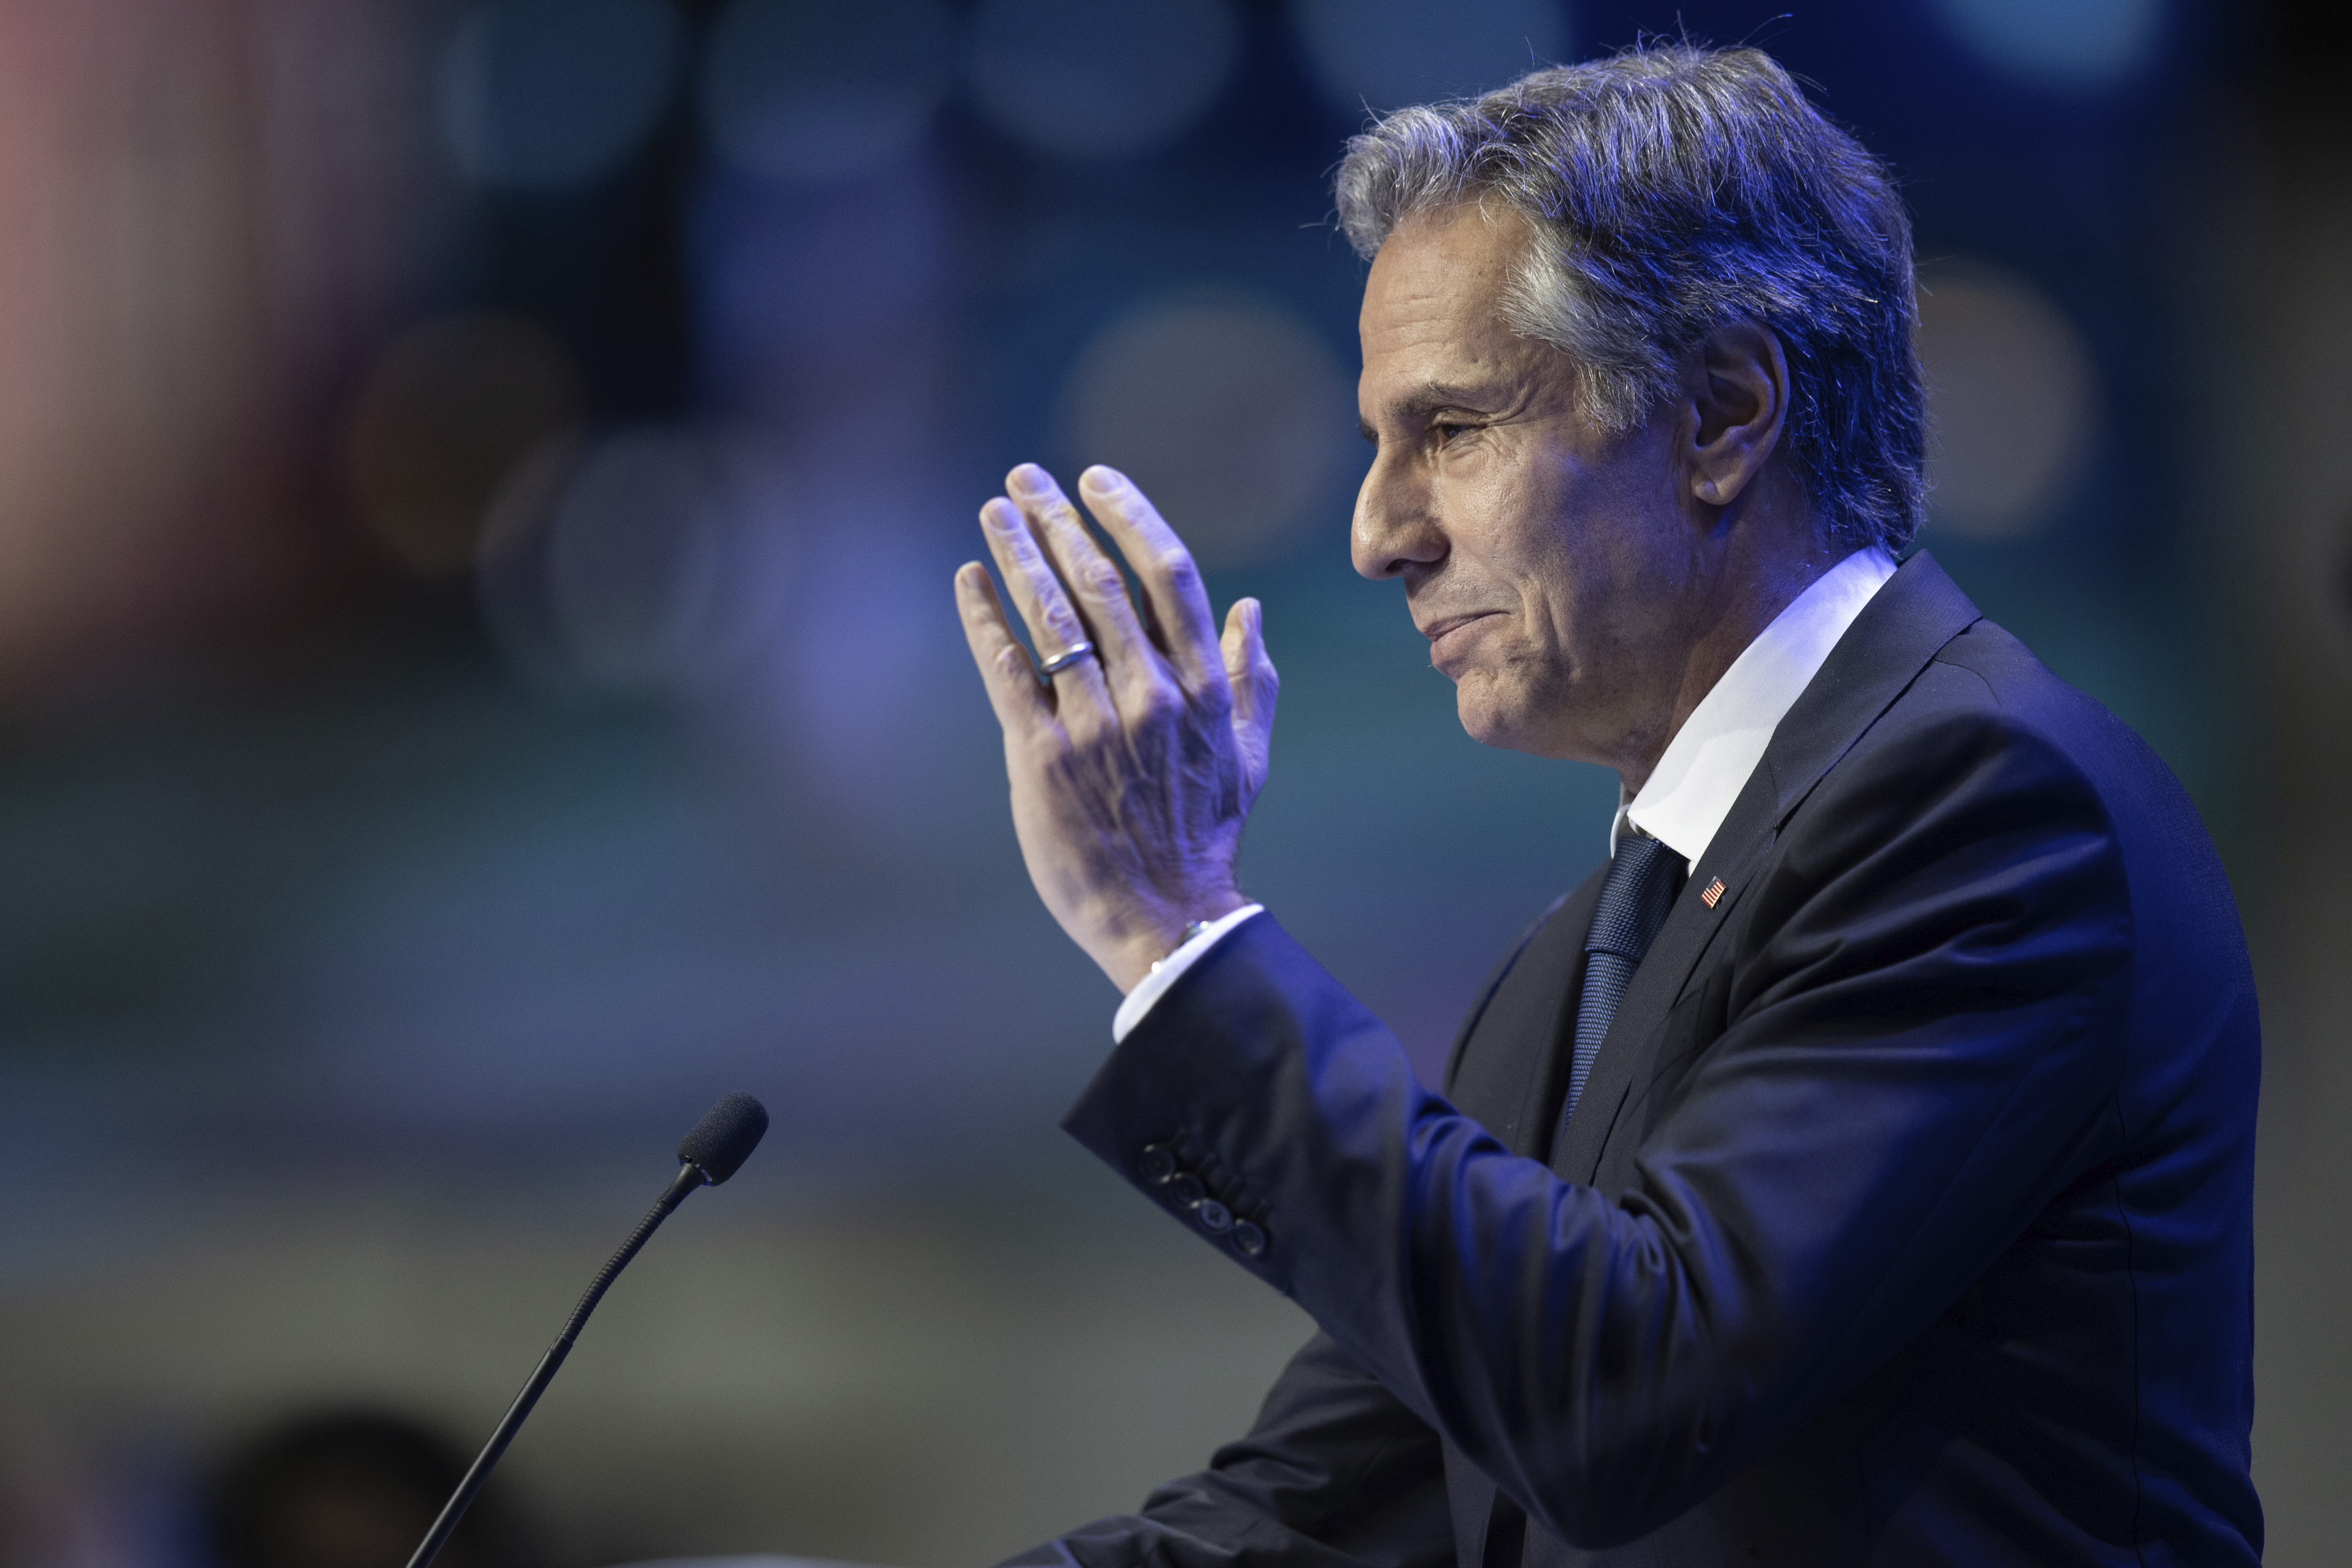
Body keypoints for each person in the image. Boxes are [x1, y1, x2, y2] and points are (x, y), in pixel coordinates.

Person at [952, 43, 2260, 1568]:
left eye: (1450, 432)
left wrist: (1173, 926)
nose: (1379, 533)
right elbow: (1310, 1517)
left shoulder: (1985, 804)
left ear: (1718, 416)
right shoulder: (1587, 953)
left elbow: (1623, 1389)